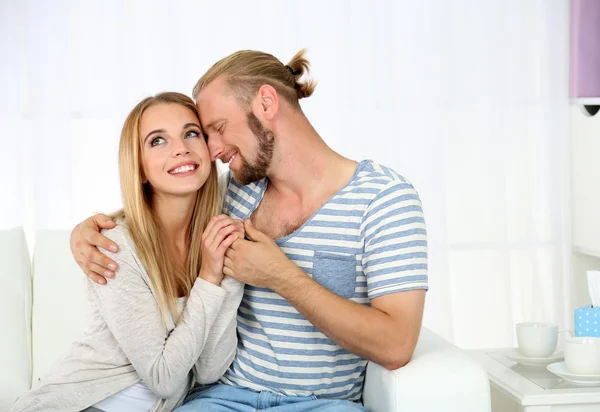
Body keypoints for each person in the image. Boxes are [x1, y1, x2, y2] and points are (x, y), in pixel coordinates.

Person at [70, 50, 428, 411]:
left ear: (267, 102)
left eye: (218, 129)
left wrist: (280, 275)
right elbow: (156, 213)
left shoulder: (383, 200)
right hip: (220, 399)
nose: (210, 151)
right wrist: (87, 232)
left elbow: (396, 346)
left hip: (322, 404)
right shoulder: (231, 193)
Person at [10, 92, 244, 412]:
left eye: (191, 133)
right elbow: (163, 379)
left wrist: (225, 276)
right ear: (141, 169)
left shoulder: (216, 240)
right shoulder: (115, 245)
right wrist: (208, 278)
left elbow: (209, 370)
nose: (180, 148)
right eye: (157, 141)